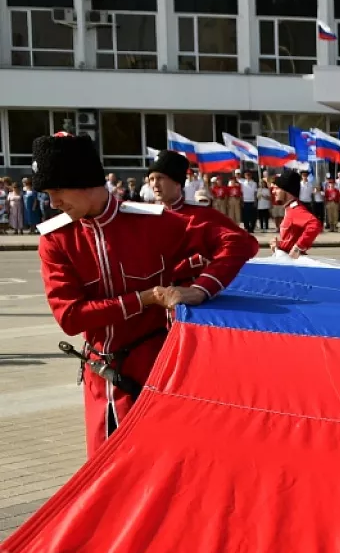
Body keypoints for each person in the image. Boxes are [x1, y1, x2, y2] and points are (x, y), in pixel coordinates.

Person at [35, 134, 258, 456]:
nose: (52, 202)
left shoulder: (156, 224)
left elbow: (240, 243)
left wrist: (200, 290)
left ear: (84, 182)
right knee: (103, 471)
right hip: (100, 379)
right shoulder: (57, 239)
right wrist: (144, 298)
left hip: (154, 372)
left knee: (160, 467)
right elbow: (71, 317)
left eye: (57, 191)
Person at [271, 170, 324, 256]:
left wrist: (298, 247)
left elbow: (315, 224)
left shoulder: (295, 209)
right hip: (287, 260)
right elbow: (291, 238)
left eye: (277, 188)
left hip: (292, 263)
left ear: (286, 190)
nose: (273, 191)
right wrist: (279, 246)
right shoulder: (289, 209)